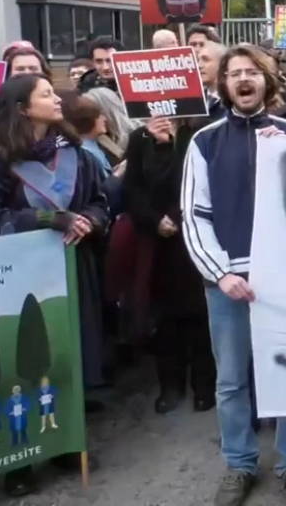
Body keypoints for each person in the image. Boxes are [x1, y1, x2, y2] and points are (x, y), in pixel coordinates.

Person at [180, 45, 286, 506]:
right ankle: (239, 465)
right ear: (224, 86)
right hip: (229, 284)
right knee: (233, 379)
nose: (243, 79)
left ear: (266, 80)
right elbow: (194, 217)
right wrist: (220, 274)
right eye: (234, 73)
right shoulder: (204, 142)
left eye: (251, 71)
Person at [0, 73, 110, 496]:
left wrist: (91, 221)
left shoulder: (75, 153)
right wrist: (47, 219)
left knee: (69, 357)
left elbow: (100, 201)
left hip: (73, 268)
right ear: (21, 108)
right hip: (19, 279)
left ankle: (67, 443)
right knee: (25, 362)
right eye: (46, 94)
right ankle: (21, 458)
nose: (56, 99)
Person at [123, 113, 217, 415]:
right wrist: (153, 220)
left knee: (201, 313)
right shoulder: (139, 139)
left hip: (196, 234)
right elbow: (134, 188)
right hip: (159, 239)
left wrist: (171, 146)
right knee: (165, 316)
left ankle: (204, 384)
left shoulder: (200, 133)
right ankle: (170, 385)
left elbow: (193, 182)